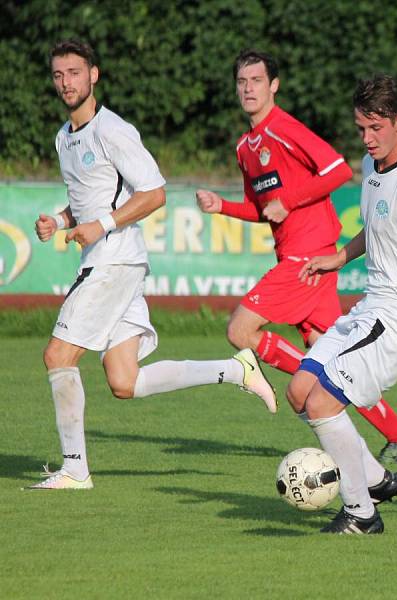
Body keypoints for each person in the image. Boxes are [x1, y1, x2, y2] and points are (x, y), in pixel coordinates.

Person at [29, 40, 276, 490]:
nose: (66, 82)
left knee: (57, 356)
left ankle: (74, 470)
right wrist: (61, 220)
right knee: (124, 381)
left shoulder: (113, 130)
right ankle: (235, 369)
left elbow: (154, 192)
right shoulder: (64, 138)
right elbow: (88, 198)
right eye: (59, 74)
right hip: (108, 258)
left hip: (115, 260)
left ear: (94, 76)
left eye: (74, 73)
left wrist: (101, 226)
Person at [195, 50, 397, 465]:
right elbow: (263, 208)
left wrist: (291, 200)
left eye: (257, 81)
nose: (248, 89)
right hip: (304, 259)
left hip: (307, 257)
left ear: (274, 86)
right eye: (242, 82)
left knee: (241, 331)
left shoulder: (284, 128)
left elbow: (336, 169)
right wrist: (222, 207)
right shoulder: (246, 146)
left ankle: (285, 376)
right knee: (337, 360)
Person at [286, 74, 397, 533]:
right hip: (369, 309)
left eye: (376, 128)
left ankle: (362, 513)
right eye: (362, 128)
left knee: (322, 404)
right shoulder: (371, 165)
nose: (367, 138)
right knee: (299, 391)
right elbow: (378, 230)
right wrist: (338, 257)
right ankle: (378, 481)